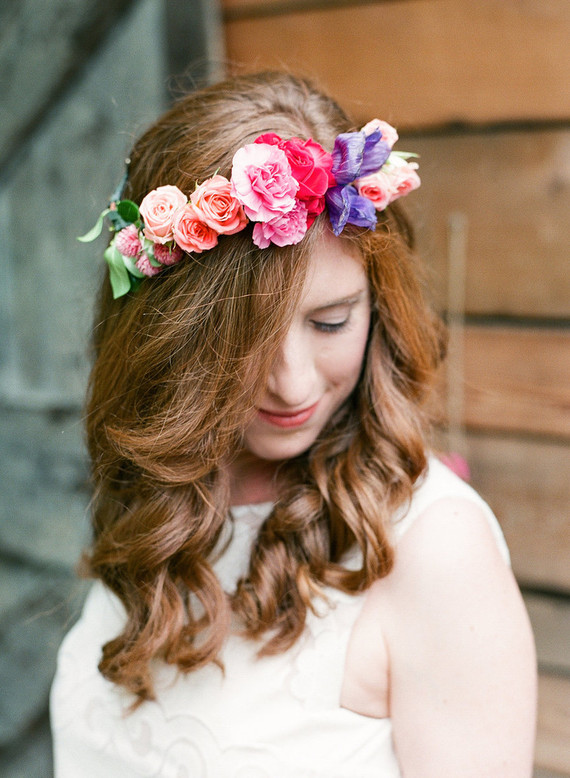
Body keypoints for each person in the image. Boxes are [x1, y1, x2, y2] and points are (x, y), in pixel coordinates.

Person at [51, 72, 536, 777]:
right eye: (245, 339)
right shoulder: (167, 493)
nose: (294, 383)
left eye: (332, 321)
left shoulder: (436, 551)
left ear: (377, 305)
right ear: (168, 335)